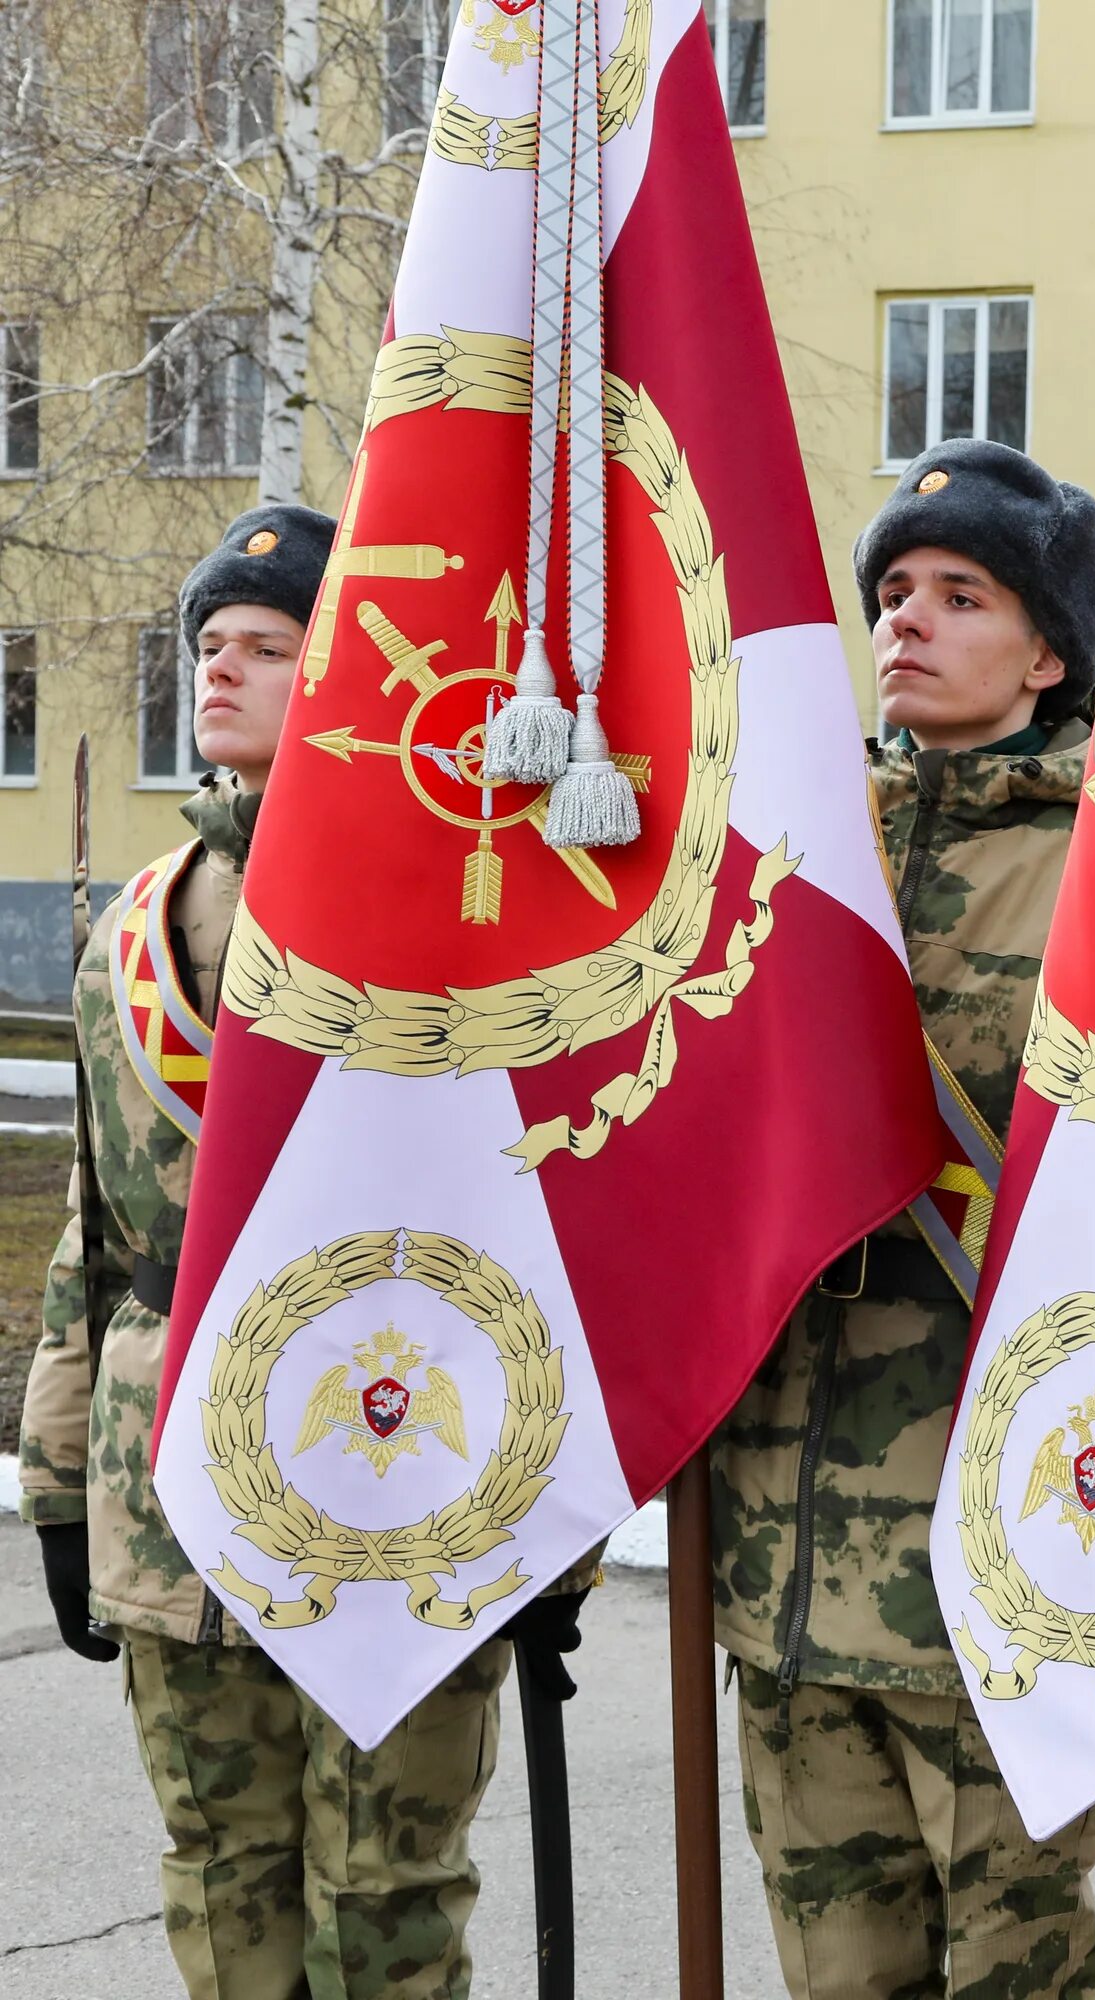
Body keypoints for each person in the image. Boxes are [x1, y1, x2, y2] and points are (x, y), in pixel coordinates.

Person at [18, 504, 583, 1997]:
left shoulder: (451, 910)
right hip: (173, 1494)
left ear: (343, 677)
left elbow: (539, 1231)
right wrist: (61, 1479)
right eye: (210, 643)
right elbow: (100, 1232)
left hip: (391, 1483)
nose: (224, 670)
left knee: (388, 1889)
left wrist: (557, 1526)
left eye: (270, 645)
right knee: (219, 1877)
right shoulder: (132, 930)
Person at [709, 440, 1095, 2000]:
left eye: (963, 594)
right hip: (787, 1544)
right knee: (834, 1974)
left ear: (1052, 651)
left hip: (1013, 1530)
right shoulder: (796, 859)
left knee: (1017, 1974)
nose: (909, 622)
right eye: (891, 592)